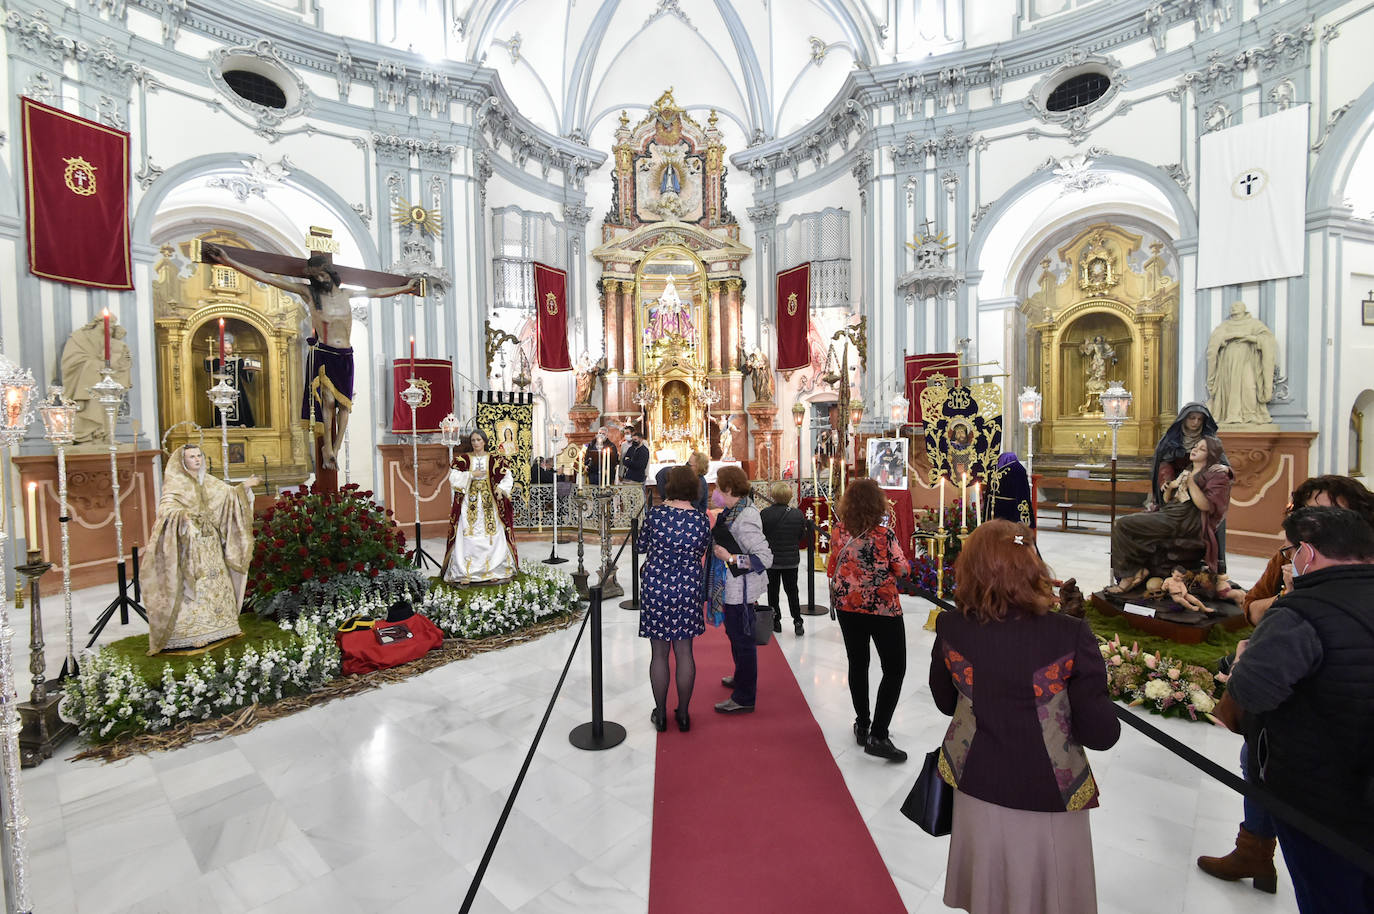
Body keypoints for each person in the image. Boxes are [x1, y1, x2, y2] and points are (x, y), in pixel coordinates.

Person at [931, 519, 1121, 913]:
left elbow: (944, 701)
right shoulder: (1069, 634)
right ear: (1034, 566)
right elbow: (1101, 733)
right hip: (1047, 789)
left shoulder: (950, 625)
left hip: (976, 781)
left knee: (989, 895)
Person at [1198, 477, 1374, 894]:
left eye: (1324, 511)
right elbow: (1250, 604)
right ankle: (1254, 849)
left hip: (1331, 767)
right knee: (1257, 764)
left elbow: (1242, 697)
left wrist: (1297, 609)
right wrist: (1280, 606)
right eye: (1305, 512)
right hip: (1287, 719)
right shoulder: (1288, 560)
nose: (1310, 520)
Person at [202, 243, 418, 469]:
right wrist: (230, 262)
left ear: (332, 274)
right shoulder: (309, 294)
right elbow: (268, 278)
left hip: (346, 354)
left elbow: (377, 292)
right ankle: (326, 445)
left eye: (324, 274)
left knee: (345, 406)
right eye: (317, 276)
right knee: (328, 399)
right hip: (325, 352)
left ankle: (334, 448)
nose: (322, 279)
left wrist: (403, 289)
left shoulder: (347, 293)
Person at [143, 445, 259, 654]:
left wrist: (245, 487)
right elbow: (166, 508)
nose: (197, 460)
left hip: (211, 544)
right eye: (191, 457)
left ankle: (223, 626)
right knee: (194, 584)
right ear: (182, 461)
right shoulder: (176, 483)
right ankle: (192, 632)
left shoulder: (209, 481)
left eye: (199, 456)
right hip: (190, 544)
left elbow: (230, 497)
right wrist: (182, 516)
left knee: (216, 583)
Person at [827, 479, 912, 760]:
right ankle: (879, 734)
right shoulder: (883, 534)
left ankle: (862, 724)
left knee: (858, 663)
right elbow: (901, 569)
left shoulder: (838, 531)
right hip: (882, 608)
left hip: (848, 606)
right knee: (894, 667)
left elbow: (831, 566)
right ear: (878, 504)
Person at [639, 466, 713, 733]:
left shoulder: (656, 515)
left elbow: (641, 546)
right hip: (687, 588)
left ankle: (660, 714)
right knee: (684, 652)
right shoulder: (701, 520)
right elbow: (701, 549)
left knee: (658, 653)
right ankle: (682, 714)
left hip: (656, 586)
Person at [1108, 435, 1232, 593]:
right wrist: (1169, 488)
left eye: (1202, 449)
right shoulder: (1188, 469)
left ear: (1210, 455)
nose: (1195, 450)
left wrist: (1191, 482)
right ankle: (1136, 570)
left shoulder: (1215, 474)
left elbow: (1206, 505)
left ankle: (1130, 575)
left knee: (1122, 525)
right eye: (1195, 446)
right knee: (1123, 524)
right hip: (1170, 512)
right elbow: (1168, 500)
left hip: (1185, 520)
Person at [710, 466, 773, 713]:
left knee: (743, 640)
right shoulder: (734, 510)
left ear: (728, 489)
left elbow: (764, 559)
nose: (714, 490)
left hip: (741, 588)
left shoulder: (746, 516)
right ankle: (740, 677)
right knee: (734, 635)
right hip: (732, 585)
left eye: (717, 486)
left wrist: (731, 557)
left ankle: (745, 697)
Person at [441, 430, 518, 584]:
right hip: (470, 501)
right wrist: (471, 474)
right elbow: (454, 478)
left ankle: (495, 569)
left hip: (489, 502)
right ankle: (466, 572)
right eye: (473, 440)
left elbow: (507, 475)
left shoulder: (495, 459)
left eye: (478, 440)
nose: (475, 443)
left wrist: (501, 488)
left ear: (484, 441)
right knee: (468, 533)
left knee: (492, 535)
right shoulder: (463, 460)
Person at [61, 315, 133, 444]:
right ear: (98, 322)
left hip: (107, 380)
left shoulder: (114, 342)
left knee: (109, 402)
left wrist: (123, 361)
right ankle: (86, 437)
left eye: (113, 324)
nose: (112, 326)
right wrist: (95, 364)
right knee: (91, 404)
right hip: (88, 380)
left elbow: (118, 362)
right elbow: (71, 362)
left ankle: (106, 435)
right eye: (109, 322)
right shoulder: (80, 338)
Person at [1206, 301, 1278, 426]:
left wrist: (1252, 338)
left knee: (1249, 386)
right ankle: (1232, 415)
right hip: (1228, 363)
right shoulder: (1225, 325)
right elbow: (1214, 342)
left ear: (1244, 309)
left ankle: (1250, 415)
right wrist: (1229, 337)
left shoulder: (1254, 324)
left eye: (1237, 306)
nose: (1234, 307)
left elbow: (1268, 339)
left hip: (1247, 361)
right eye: (1232, 306)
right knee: (1230, 387)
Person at [761, 482, 814, 637]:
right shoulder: (797, 514)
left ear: (773, 495)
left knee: (773, 591)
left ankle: (776, 621)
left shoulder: (765, 513)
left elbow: (762, 536)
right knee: (792, 591)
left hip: (772, 560)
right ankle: (797, 621)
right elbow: (801, 536)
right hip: (791, 560)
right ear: (790, 496)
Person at [1148, 402, 1226, 509]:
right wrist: (1166, 479)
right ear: (1184, 418)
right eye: (1192, 418)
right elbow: (1163, 462)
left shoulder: (1210, 440)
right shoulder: (1171, 439)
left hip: (1200, 486)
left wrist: (1225, 468)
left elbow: (1222, 462)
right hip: (1175, 484)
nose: (1196, 422)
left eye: (1200, 419)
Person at [204, 334, 259, 428]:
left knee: (239, 403)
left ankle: (241, 422)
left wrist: (250, 371)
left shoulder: (239, 360)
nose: (228, 349)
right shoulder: (220, 360)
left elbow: (245, 374)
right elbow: (210, 368)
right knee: (221, 402)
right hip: (223, 387)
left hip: (237, 386)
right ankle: (221, 423)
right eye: (226, 348)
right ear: (222, 349)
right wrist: (208, 360)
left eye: (229, 347)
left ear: (232, 348)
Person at [990, 452, 1035, 528]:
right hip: (1013, 509)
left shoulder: (994, 470)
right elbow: (1023, 494)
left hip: (996, 508)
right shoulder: (1019, 469)